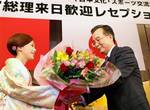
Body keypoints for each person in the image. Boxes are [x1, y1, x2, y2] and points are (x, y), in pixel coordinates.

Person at [81, 25, 150, 110]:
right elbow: (100, 88)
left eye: (98, 39)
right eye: (94, 42)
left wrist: (93, 75)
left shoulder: (124, 52)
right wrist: (80, 98)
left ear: (110, 37)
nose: (96, 44)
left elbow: (116, 76)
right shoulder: (104, 64)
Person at [0, 33, 59, 110]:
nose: (35, 50)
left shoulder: (19, 67)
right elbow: (20, 91)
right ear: (20, 48)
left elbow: (24, 93)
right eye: (32, 46)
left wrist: (47, 72)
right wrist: (54, 93)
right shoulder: (13, 65)